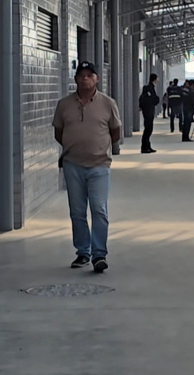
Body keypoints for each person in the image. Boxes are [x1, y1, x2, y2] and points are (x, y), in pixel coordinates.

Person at [52, 61, 121, 273]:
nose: (85, 78)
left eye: (90, 75)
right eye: (81, 75)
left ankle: (99, 254)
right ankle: (83, 252)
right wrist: (74, 147)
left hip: (99, 165)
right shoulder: (64, 105)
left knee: (99, 209)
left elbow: (115, 132)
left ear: (97, 79)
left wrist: (99, 148)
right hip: (73, 165)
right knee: (77, 211)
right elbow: (59, 132)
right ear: (75, 79)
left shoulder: (108, 103)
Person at [139, 73, 160, 153]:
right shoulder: (149, 88)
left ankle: (147, 145)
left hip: (147, 110)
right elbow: (153, 99)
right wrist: (157, 100)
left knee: (149, 129)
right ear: (154, 79)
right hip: (148, 111)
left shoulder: (148, 88)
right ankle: (144, 147)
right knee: (148, 129)